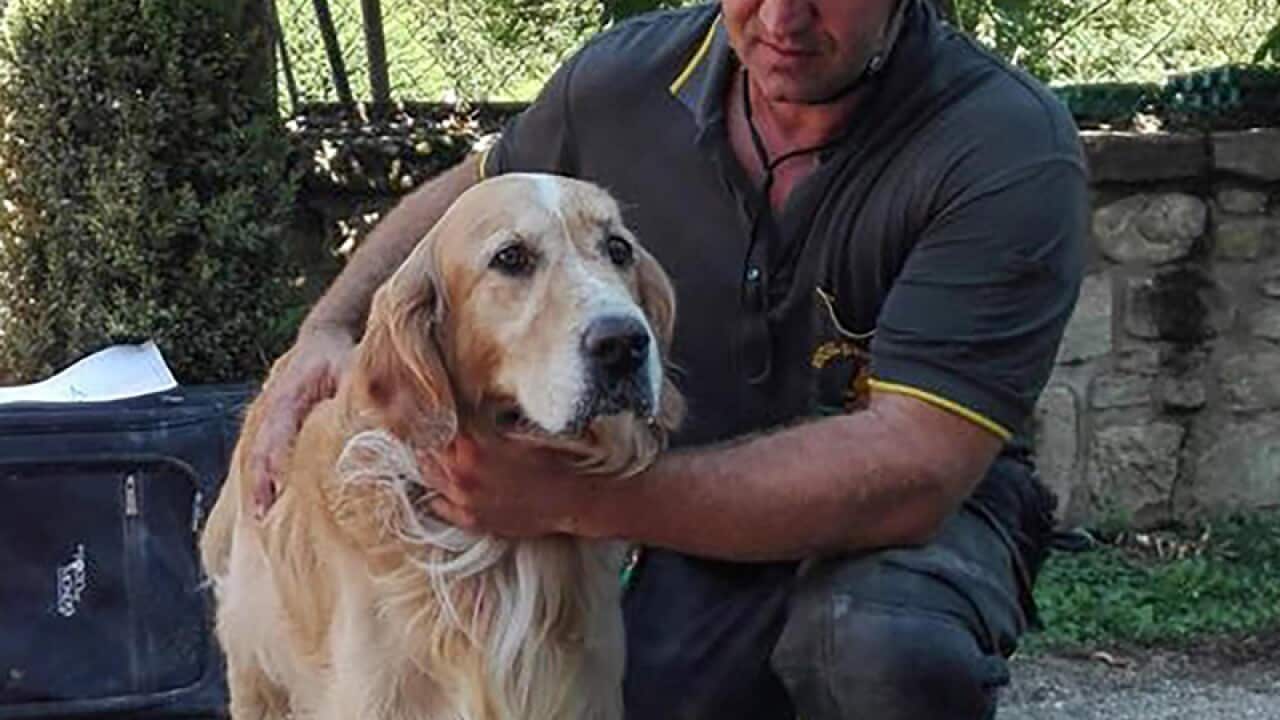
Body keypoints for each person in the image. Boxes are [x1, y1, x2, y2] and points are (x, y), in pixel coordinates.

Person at [248, 0, 1087, 717]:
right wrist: (331, 322)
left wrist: (575, 500)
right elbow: (476, 191)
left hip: (914, 521)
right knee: (643, 692)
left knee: (877, 646)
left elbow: (914, 467)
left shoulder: (1003, 142)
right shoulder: (626, 81)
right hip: (690, 502)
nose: (783, 18)